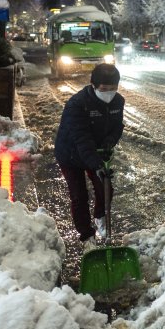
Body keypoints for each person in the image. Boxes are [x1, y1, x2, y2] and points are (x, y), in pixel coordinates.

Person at [54, 63, 124, 251]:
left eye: (113, 89)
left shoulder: (118, 101)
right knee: (79, 195)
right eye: (104, 89)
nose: (109, 93)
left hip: (96, 151)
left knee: (105, 187)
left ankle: (100, 217)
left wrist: (109, 141)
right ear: (93, 85)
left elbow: (117, 126)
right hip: (71, 153)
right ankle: (87, 237)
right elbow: (82, 139)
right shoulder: (77, 104)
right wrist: (97, 165)